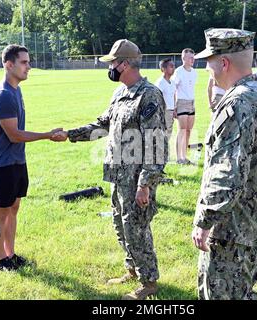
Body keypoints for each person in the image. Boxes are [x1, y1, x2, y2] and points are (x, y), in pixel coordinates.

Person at [52, 39, 168, 300]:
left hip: (137, 179)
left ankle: (149, 282)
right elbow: (101, 126)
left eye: (113, 63)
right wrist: (70, 134)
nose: (111, 67)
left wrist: (145, 184)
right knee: (121, 223)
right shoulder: (120, 94)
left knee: (137, 227)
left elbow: (157, 144)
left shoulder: (149, 95)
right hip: (118, 175)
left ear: (125, 64)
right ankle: (133, 269)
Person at [192, 28, 257, 300]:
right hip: (253, 226)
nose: (207, 67)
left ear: (224, 62)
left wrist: (204, 221)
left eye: (209, 60)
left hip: (232, 233)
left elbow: (226, 174)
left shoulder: (238, 103)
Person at [0, 44, 62, 271]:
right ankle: (2, 259)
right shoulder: (4, 95)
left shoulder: (16, 90)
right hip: (1, 164)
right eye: (24, 62)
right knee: (2, 209)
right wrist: (48, 135)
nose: (29, 66)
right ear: (9, 65)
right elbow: (14, 135)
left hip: (16, 161)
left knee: (14, 206)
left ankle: (11, 254)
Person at [172, 48, 197, 164]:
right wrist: (174, 106)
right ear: (183, 59)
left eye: (193, 57)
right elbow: (173, 89)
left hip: (191, 102)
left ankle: (184, 156)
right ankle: (179, 158)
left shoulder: (194, 72)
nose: (192, 59)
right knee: (181, 130)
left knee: (188, 131)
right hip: (181, 102)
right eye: (190, 57)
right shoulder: (178, 72)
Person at [155, 58, 177, 139]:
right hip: (164, 112)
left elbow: (173, 95)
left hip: (170, 112)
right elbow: (157, 98)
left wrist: (174, 109)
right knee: (163, 135)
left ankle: (165, 150)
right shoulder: (160, 83)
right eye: (171, 66)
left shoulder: (172, 82)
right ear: (163, 69)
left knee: (169, 134)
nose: (173, 68)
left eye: (174, 66)